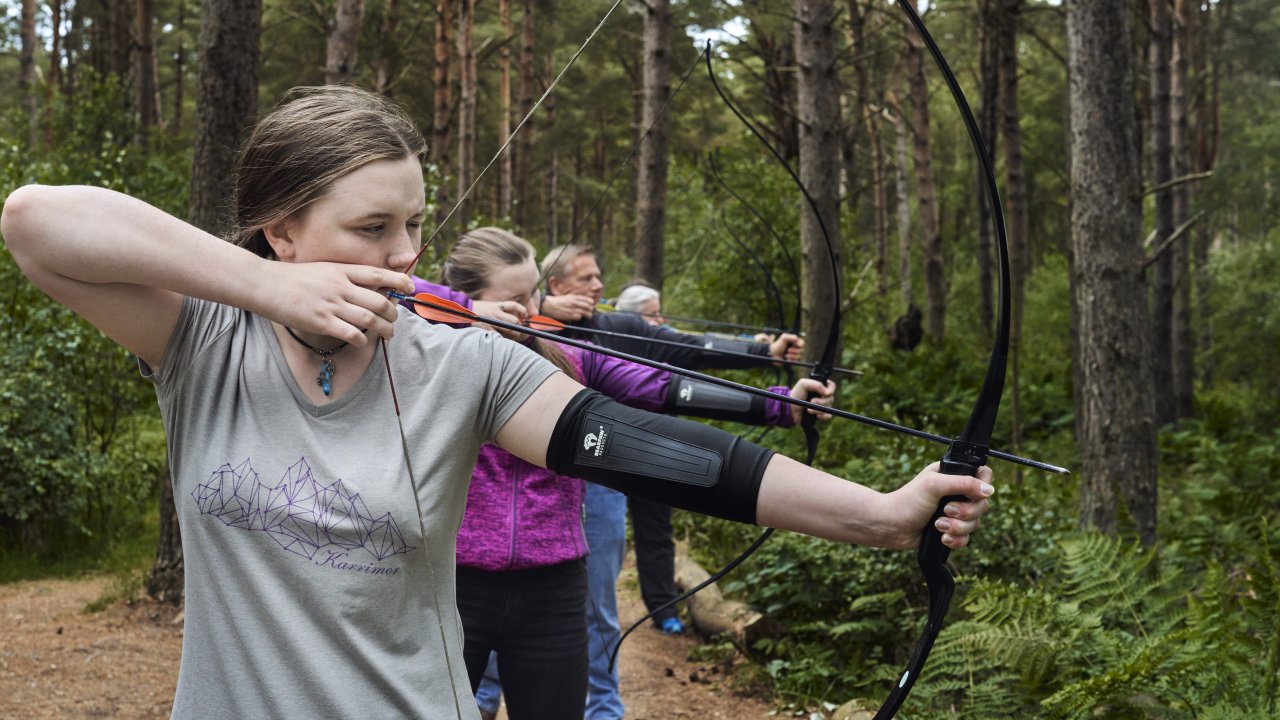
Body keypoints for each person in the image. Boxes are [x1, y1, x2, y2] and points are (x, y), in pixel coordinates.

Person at [0, 85, 995, 720]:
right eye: (372, 227)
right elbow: (36, 220)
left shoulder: (460, 363)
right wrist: (262, 288)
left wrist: (882, 517)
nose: (403, 255)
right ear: (282, 229)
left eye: (415, 225)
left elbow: (637, 445)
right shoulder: (200, 336)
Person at [440, 227, 832, 719]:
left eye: (532, 294)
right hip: (453, 585)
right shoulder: (432, 360)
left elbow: (663, 386)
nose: (529, 311)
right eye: (511, 302)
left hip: (553, 587)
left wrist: (778, 406)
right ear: (463, 302)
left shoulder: (569, 359)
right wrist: (456, 316)